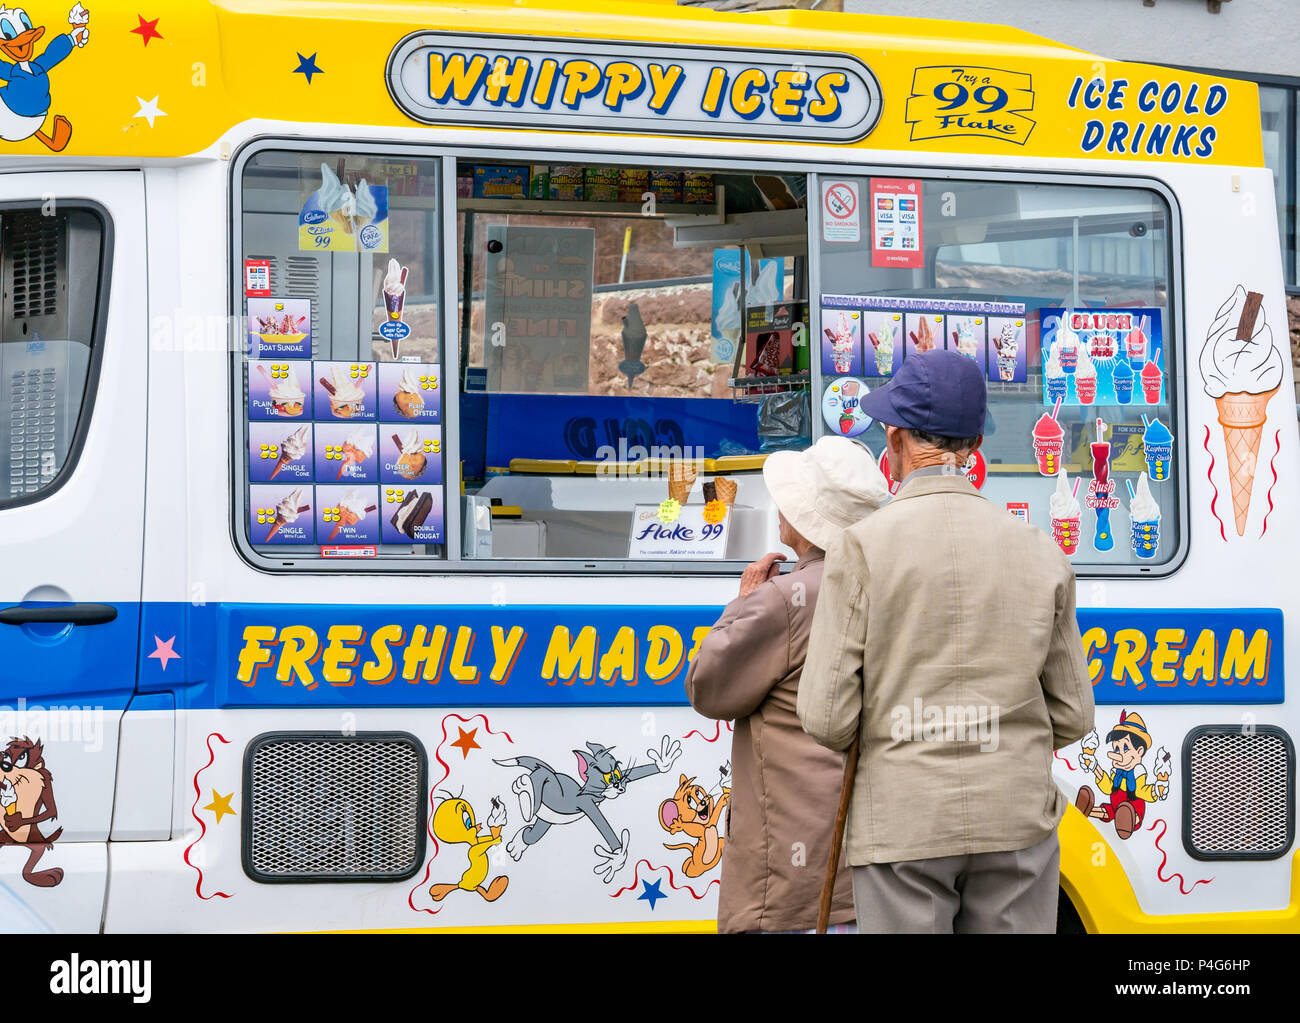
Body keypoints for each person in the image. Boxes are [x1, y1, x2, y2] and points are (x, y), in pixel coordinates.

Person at [798, 349, 1095, 934]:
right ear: (976, 447)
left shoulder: (861, 547)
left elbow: (827, 717)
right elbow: (1073, 711)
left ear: (896, 439)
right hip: (1016, 818)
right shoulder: (1040, 550)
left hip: (904, 824)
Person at [684, 436, 889, 934]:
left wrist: (742, 606)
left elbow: (708, 687)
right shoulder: (889, 584)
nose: (780, 509)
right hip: (877, 868)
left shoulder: (782, 599)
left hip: (793, 880)